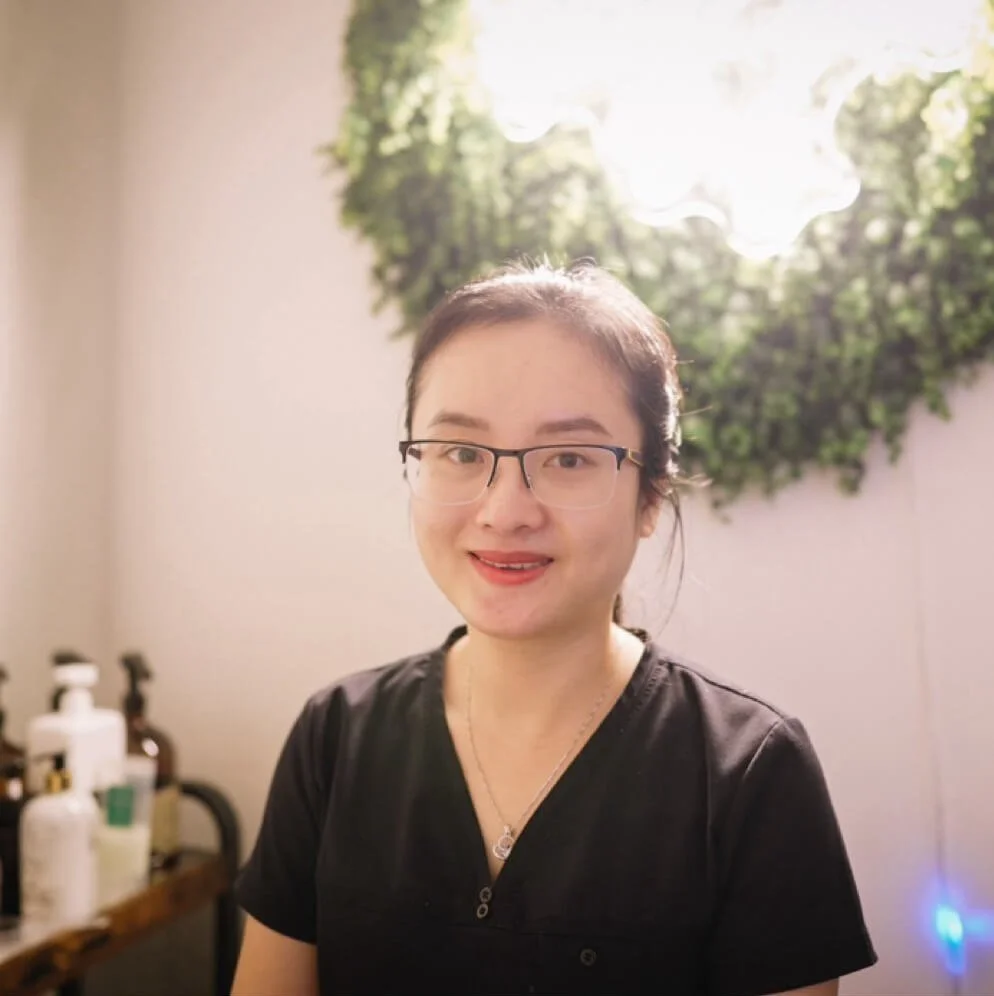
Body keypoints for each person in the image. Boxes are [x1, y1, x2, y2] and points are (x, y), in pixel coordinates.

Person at [232, 261, 877, 995]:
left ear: (649, 497)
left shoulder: (749, 772)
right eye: (463, 453)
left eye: (569, 457)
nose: (505, 510)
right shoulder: (334, 739)